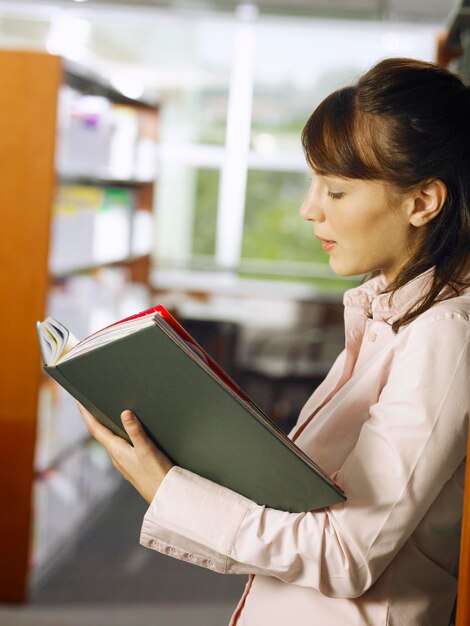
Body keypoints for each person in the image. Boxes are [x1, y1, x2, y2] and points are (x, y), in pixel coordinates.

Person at [78, 57, 470, 626]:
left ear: (422, 202)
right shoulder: (391, 312)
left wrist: (170, 490)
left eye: (335, 191)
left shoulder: (444, 336)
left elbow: (346, 553)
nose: (310, 209)